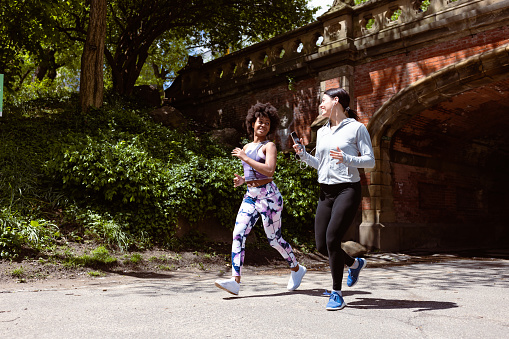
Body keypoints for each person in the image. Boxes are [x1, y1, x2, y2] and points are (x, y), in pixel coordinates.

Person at [293, 87, 375, 310]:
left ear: (336, 101)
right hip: (326, 192)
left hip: (347, 189)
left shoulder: (357, 128)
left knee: (332, 238)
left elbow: (370, 161)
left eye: (323, 101)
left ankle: (337, 293)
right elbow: (321, 164)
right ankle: (354, 264)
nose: (320, 105)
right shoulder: (322, 132)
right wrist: (303, 155)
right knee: (321, 245)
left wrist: (348, 158)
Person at [214, 102, 307, 296]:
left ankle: (297, 268)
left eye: (266, 123)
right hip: (250, 196)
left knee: (274, 239)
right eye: (259, 122)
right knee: (238, 234)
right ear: (252, 124)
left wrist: (245, 158)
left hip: (269, 197)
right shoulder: (247, 147)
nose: (263, 125)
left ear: (270, 126)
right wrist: (243, 180)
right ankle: (235, 281)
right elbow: (254, 175)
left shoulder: (269, 146)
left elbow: (269, 172)